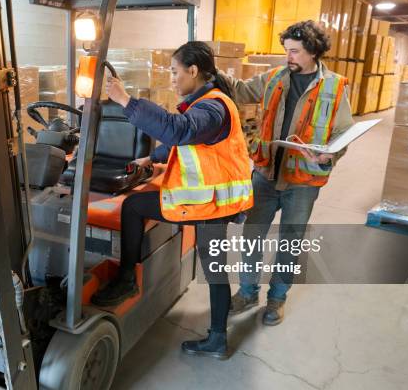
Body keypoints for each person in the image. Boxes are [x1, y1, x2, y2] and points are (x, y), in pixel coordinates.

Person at [91, 41, 254, 359]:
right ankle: (215, 335)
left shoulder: (213, 107)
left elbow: (180, 132)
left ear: (193, 71)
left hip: (211, 205)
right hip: (207, 202)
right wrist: (151, 158)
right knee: (136, 205)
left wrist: (126, 100)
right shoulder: (204, 104)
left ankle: (129, 281)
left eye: (175, 72)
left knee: (212, 267)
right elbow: (186, 143)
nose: (172, 79)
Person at [222, 20, 355, 325]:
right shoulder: (275, 77)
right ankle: (247, 292)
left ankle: (277, 299)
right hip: (266, 173)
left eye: (294, 51)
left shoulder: (334, 86)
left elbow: (344, 131)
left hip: (303, 181)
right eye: (287, 51)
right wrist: (210, 71)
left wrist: (329, 153)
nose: (288, 57)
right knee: (252, 238)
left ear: (313, 52)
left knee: (290, 242)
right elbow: (241, 91)